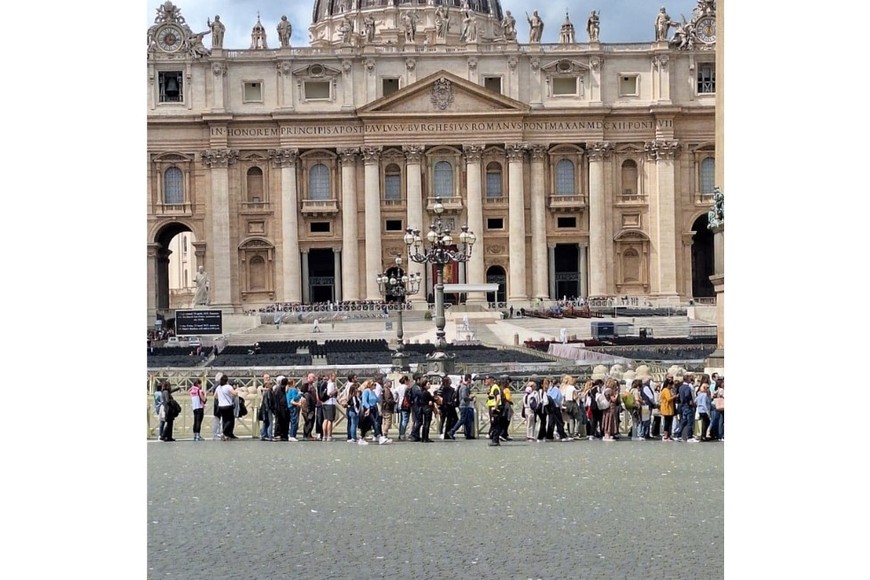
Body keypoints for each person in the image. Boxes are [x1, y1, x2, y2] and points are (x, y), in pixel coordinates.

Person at [448, 373, 475, 439]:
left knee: (466, 420)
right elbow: (464, 397)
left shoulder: (462, 386)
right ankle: (452, 431)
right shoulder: (464, 387)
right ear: (468, 379)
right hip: (464, 405)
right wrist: (470, 398)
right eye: (470, 379)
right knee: (462, 420)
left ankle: (468, 434)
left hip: (463, 405)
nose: (471, 381)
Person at [215, 374, 238, 440]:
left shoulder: (218, 387)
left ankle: (226, 434)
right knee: (230, 420)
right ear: (226, 381)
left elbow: (215, 396)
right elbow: (234, 393)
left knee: (224, 420)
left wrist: (220, 398)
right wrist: (234, 393)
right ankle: (224, 432)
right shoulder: (228, 387)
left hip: (221, 406)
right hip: (228, 405)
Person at [677, 374, 696, 442]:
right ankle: (689, 437)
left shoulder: (681, 387)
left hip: (682, 406)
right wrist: (690, 401)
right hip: (688, 405)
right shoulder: (687, 387)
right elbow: (687, 395)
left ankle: (679, 435)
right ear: (687, 379)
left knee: (683, 421)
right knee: (689, 422)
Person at [321, 371, 338, 442]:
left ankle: (324, 436)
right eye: (334, 376)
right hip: (330, 403)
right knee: (330, 420)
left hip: (325, 403)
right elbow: (329, 394)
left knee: (325, 419)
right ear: (331, 376)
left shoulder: (326, 384)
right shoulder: (331, 384)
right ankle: (329, 435)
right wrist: (335, 391)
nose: (335, 378)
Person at [659, 376, 676, 441]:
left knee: (669, 422)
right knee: (667, 422)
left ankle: (668, 435)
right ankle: (666, 435)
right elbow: (668, 399)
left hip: (669, 408)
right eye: (671, 385)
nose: (671, 386)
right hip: (667, 408)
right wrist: (674, 396)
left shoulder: (667, 390)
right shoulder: (666, 390)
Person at [286, 377, 302, 442]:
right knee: (294, 421)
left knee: (292, 420)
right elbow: (295, 397)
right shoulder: (293, 389)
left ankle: (291, 434)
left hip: (289, 406)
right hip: (293, 406)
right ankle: (292, 435)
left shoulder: (288, 389)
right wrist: (299, 394)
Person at [259, 376, 275, 441]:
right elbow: (268, 401)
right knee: (270, 422)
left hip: (264, 408)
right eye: (271, 384)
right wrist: (270, 408)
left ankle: (263, 435)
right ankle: (269, 435)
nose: (272, 385)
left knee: (265, 422)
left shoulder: (265, 391)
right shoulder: (268, 392)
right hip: (268, 409)